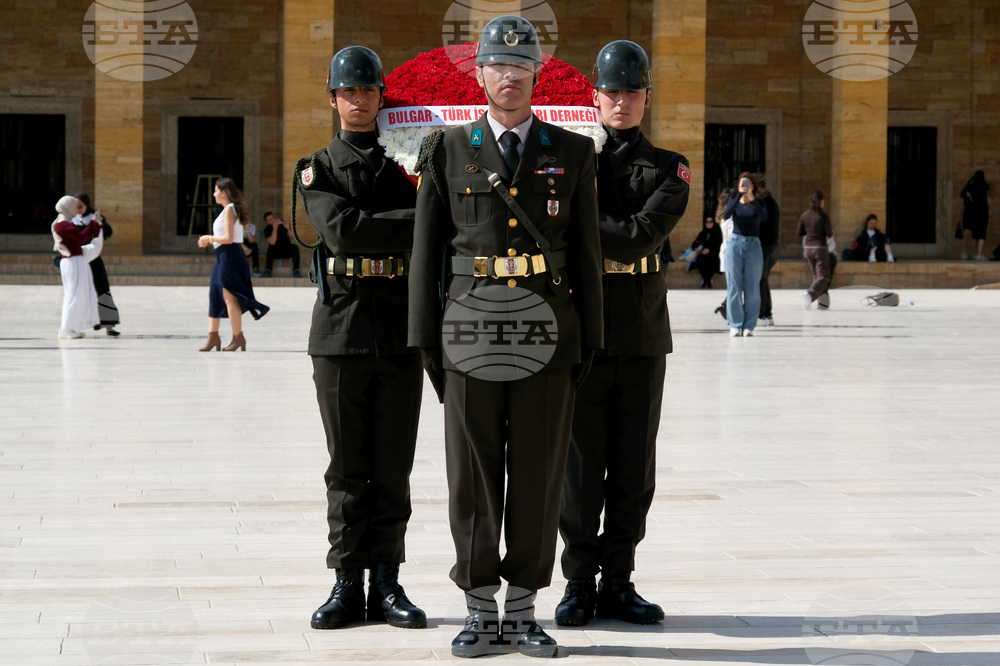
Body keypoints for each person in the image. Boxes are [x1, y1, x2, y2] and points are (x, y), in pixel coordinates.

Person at [408, 15, 603, 658]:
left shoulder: (573, 152)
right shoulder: (447, 149)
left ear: (535, 74)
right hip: (467, 329)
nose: (510, 76)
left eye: (522, 67)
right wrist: (425, 343)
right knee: (472, 475)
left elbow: (585, 255)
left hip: (548, 330)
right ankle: (478, 609)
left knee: (540, 473)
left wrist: (589, 342)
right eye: (498, 65)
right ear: (482, 74)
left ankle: (522, 610)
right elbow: (427, 254)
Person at [554, 39, 688, 631]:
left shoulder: (669, 168)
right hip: (584, 330)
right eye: (612, 90)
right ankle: (579, 581)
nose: (622, 101)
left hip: (639, 333)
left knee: (633, 466)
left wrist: (584, 227)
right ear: (595, 95)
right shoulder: (572, 159)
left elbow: (638, 239)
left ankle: (620, 579)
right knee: (579, 467)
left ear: (647, 99)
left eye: (632, 92)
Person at [293, 45, 426, 633]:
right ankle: (347, 582)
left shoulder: (412, 162)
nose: (359, 100)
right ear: (332, 99)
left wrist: (403, 223)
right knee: (347, 467)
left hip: (400, 326)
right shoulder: (316, 167)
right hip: (342, 329)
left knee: (393, 464)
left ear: (381, 97)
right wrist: (419, 220)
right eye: (348, 92)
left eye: (368, 91)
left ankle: (388, 581)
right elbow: (344, 234)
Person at [195, 178, 269, 351]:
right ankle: (213, 337)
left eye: (215, 191)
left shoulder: (229, 210)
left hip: (229, 257)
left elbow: (228, 238)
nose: (213, 194)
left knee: (229, 297)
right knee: (215, 293)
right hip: (223, 256)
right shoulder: (227, 211)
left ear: (223, 193)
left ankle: (238, 338)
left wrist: (209, 238)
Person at [51, 195, 103, 339]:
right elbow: (81, 238)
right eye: (74, 206)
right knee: (73, 295)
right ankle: (66, 329)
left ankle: (71, 327)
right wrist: (93, 224)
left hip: (75, 261)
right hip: (72, 262)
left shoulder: (65, 223)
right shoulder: (62, 225)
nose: (76, 210)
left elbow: (82, 236)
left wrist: (95, 225)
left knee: (77, 295)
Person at [722, 173, 767, 336]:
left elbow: (763, 217)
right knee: (734, 285)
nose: (745, 186)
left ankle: (749, 325)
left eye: (748, 184)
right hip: (735, 244)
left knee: (752, 287)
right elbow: (726, 215)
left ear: (753, 186)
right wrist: (739, 195)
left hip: (754, 245)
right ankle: (735, 324)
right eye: (742, 183)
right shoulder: (735, 202)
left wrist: (751, 198)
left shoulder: (759, 203)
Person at [72, 192, 120, 336]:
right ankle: (76, 326)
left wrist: (101, 223)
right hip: (79, 260)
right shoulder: (71, 219)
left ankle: (109, 325)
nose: (78, 209)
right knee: (80, 293)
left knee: (102, 289)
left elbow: (107, 232)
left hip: (93, 259)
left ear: (87, 205)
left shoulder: (94, 216)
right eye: (76, 206)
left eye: (81, 206)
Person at [797, 190, 833, 311]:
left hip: (808, 247)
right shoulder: (824, 216)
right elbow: (829, 233)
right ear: (821, 202)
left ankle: (823, 303)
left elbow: (799, 232)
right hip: (820, 247)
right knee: (824, 276)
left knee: (817, 276)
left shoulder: (805, 215)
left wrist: (809, 230)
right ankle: (810, 294)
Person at [755, 174, 780, 326]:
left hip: (765, 246)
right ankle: (766, 314)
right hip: (769, 246)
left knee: (760, 279)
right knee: (762, 280)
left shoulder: (766, 203)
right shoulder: (769, 202)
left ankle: (763, 314)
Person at [960, 170, 991, 260]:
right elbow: (989, 199)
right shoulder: (985, 186)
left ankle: (969, 252)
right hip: (983, 211)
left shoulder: (970, 187)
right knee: (982, 233)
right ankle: (978, 253)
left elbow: (968, 199)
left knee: (973, 233)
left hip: (973, 211)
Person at [714, 189, 735, 321]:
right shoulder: (730, 217)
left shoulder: (723, 215)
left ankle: (726, 307)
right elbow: (732, 236)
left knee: (734, 285)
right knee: (735, 286)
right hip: (730, 252)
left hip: (726, 250)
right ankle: (727, 308)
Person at [261, 211, 301, 276]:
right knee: (270, 248)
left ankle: (296, 270)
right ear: (267, 222)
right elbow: (272, 242)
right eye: (270, 220)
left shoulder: (283, 225)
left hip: (286, 250)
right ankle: (268, 270)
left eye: (273, 218)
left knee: (295, 247)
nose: (273, 220)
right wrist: (275, 229)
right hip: (276, 252)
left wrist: (288, 228)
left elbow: (293, 237)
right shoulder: (267, 229)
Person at [686, 216, 722, 288]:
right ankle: (707, 280)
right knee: (701, 260)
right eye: (707, 222)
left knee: (712, 260)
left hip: (713, 254)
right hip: (702, 255)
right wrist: (696, 248)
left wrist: (709, 250)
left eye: (710, 222)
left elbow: (718, 244)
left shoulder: (716, 233)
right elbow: (696, 242)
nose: (708, 223)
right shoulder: (703, 233)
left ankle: (706, 280)